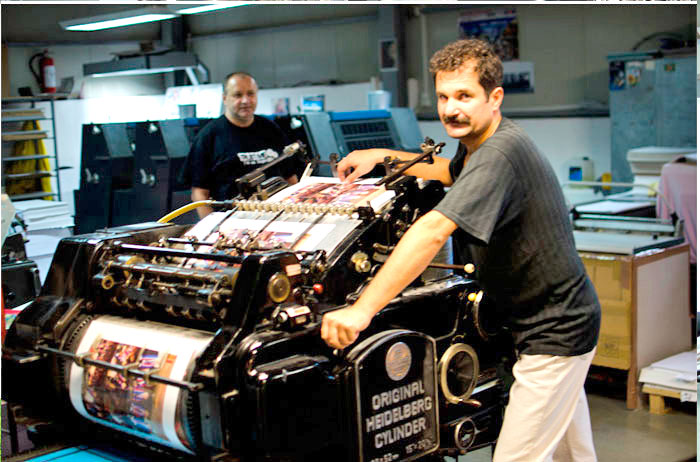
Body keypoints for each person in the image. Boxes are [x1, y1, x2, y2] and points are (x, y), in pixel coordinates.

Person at [320, 38, 601, 462]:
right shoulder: (479, 145)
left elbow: (433, 230)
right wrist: (382, 155)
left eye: (465, 96)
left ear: (495, 97)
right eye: (444, 97)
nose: (451, 109)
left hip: (554, 330)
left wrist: (362, 310)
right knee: (571, 454)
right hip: (544, 321)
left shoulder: (500, 153)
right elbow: (446, 170)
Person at [182, 72, 298, 218]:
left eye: (250, 94)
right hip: (232, 219)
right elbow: (199, 193)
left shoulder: (271, 129)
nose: (245, 100)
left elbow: (290, 178)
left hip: (276, 216)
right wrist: (212, 226)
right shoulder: (208, 137)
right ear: (225, 98)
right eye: (237, 95)